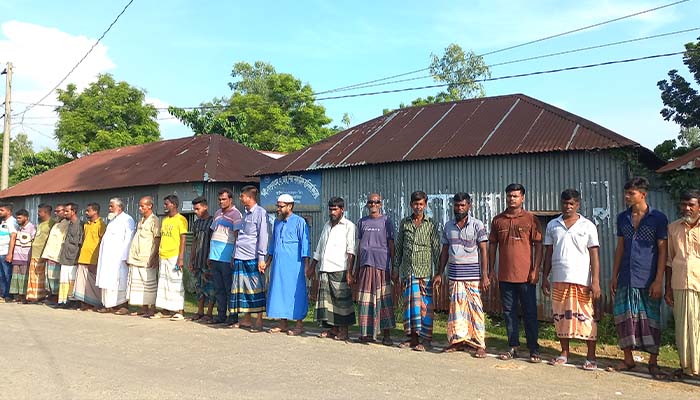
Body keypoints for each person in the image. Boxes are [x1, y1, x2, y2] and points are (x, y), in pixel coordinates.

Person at [610, 177, 668, 379]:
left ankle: (653, 361)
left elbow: (663, 250)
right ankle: (628, 359)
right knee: (624, 317)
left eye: (631, 193)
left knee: (651, 319)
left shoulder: (658, 218)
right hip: (626, 275)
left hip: (648, 277)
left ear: (643, 194)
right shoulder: (622, 218)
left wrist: (659, 279)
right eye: (626, 193)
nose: (626, 197)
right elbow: (621, 247)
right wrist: (614, 275)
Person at [541, 189, 601, 370]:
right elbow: (549, 252)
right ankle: (564, 352)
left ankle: (590, 356)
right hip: (559, 278)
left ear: (578, 205)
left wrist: (595, 281)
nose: (567, 207)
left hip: (582, 279)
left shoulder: (587, 225)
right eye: (565, 203)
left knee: (586, 317)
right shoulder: (553, 225)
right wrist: (545, 276)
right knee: (561, 317)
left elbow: (594, 255)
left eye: (571, 204)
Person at [489, 183, 543, 363]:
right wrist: (491, 269)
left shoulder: (530, 219)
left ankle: (533, 349)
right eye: (509, 196)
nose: (512, 199)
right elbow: (493, 246)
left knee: (530, 313)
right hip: (505, 276)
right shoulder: (498, 220)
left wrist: (536, 270)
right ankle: (513, 346)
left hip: (526, 276)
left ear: (523, 198)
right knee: (509, 313)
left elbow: (538, 245)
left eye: (516, 196)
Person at [434, 193, 489, 358]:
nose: (459, 208)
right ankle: (457, 341)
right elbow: (444, 251)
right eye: (457, 205)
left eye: (463, 205)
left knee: (475, 309)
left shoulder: (477, 225)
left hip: (473, 275)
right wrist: (439, 273)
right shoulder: (448, 226)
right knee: (456, 309)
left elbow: (484, 251)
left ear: (469, 206)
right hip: (455, 274)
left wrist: (485, 275)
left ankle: (479, 344)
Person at [394, 191, 441, 351]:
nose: (418, 207)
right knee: (409, 308)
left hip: (425, 273)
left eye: (421, 204)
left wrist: (439, 273)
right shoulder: (405, 223)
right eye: (415, 204)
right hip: (408, 272)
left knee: (425, 307)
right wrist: (395, 268)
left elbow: (436, 249)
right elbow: (399, 247)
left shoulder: (431, 224)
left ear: (425, 204)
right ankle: (412, 338)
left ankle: (426, 339)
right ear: (411, 205)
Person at [308, 197, 356, 341]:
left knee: (341, 302)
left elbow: (351, 251)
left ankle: (344, 331)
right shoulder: (327, 225)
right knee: (328, 303)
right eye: (331, 209)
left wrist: (349, 272)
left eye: (335, 209)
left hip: (340, 269)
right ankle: (332, 330)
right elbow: (319, 247)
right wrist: (312, 266)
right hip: (325, 268)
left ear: (342, 210)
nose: (332, 212)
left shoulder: (349, 226)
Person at [665, 189, 700, 380]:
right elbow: (669, 260)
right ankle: (688, 367)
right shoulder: (673, 228)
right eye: (684, 204)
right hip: (680, 282)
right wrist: (667, 287)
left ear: (698, 206)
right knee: (684, 327)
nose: (687, 208)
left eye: (691, 205)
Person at [354, 193, 396, 345]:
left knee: (383, 300)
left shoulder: (386, 221)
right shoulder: (362, 222)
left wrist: (394, 267)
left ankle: (386, 335)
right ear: (367, 204)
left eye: (376, 202)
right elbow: (360, 246)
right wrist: (356, 268)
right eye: (370, 202)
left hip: (381, 266)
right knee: (365, 301)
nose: (373, 205)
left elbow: (391, 245)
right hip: (366, 265)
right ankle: (366, 334)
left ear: (380, 204)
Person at [266, 194, 310, 336]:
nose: (278, 209)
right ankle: (283, 323)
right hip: (278, 266)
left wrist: (307, 265)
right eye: (277, 206)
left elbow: (305, 244)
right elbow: (273, 244)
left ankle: (299, 324)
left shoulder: (299, 222)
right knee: (279, 291)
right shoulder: (277, 223)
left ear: (290, 206)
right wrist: (268, 262)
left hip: (294, 266)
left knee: (296, 293)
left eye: (281, 206)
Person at [231, 186, 268, 331]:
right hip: (240, 255)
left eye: (242, 196)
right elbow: (240, 236)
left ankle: (259, 320)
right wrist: (234, 255)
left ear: (250, 197)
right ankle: (246, 319)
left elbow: (263, 237)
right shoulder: (245, 214)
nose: (240, 199)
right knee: (241, 288)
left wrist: (261, 258)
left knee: (255, 289)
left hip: (252, 256)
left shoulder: (260, 213)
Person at [208, 189, 242, 325]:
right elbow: (213, 234)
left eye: (224, 199)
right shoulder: (217, 214)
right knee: (218, 288)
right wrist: (209, 255)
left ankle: (232, 316)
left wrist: (234, 255)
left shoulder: (236, 214)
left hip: (227, 256)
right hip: (215, 256)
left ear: (230, 200)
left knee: (229, 288)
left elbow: (238, 236)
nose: (221, 202)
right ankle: (221, 315)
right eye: (220, 199)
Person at [96, 198, 136, 314]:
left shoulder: (127, 219)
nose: (109, 208)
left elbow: (129, 238)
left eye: (111, 206)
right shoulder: (113, 220)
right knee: (107, 281)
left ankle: (122, 305)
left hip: (118, 258)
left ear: (119, 207)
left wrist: (125, 256)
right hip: (107, 258)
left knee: (119, 281)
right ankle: (108, 305)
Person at [152, 195, 188, 321]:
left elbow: (183, 239)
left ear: (173, 204)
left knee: (175, 283)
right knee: (163, 283)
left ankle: (179, 310)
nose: (165, 206)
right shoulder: (165, 220)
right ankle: (165, 309)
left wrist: (181, 258)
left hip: (174, 256)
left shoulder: (181, 220)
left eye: (166, 204)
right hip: (164, 255)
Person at [126, 196, 161, 317]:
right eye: (139, 206)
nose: (140, 208)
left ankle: (152, 308)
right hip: (136, 256)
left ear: (150, 206)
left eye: (143, 206)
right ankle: (143, 307)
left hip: (147, 256)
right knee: (138, 283)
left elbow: (157, 239)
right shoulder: (141, 220)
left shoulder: (154, 220)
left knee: (149, 283)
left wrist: (154, 256)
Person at [74, 203, 106, 311]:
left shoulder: (101, 224)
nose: (86, 213)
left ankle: (96, 303)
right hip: (83, 257)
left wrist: (97, 260)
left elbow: (102, 242)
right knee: (83, 283)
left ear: (95, 211)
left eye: (88, 211)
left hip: (93, 258)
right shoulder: (86, 225)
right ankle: (85, 303)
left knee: (93, 283)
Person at [188, 196, 214, 322]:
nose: (195, 211)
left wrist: (211, 257)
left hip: (208, 260)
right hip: (198, 260)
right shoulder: (196, 223)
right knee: (199, 287)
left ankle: (209, 313)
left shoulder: (213, 221)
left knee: (210, 287)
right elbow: (194, 242)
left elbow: (214, 241)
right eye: (194, 209)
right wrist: (191, 259)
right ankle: (200, 311)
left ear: (205, 207)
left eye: (197, 209)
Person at [57, 203, 84, 307]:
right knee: (63, 279)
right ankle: (63, 301)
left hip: (73, 257)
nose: (65, 213)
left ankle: (72, 301)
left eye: (67, 211)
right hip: (65, 256)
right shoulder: (69, 224)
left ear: (73, 212)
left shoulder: (80, 225)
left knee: (71, 279)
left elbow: (80, 242)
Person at [41, 204, 69, 304]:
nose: (56, 213)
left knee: (55, 277)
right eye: (55, 211)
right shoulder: (56, 223)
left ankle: (55, 296)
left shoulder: (67, 223)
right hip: (50, 254)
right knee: (48, 277)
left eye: (59, 211)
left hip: (57, 254)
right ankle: (51, 294)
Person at [26, 204, 54, 303]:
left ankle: (39, 296)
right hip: (35, 253)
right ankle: (32, 295)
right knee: (33, 275)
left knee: (40, 276)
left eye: (39, 212)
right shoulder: (41, 224)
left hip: (42, 253)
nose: (38, 214)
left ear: (46, 212)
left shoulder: (52, 223)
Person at [9, 209, 35, 303]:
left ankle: (24, 297)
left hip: (25, 257)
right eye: (17, 218)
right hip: (17, 257)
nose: (18, 220)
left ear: (26, 218)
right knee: (16, 277)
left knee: (24, 277)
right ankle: (18, 296)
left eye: (20, 218)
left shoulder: (32, 228)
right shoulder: (18, 228)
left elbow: (33, 243)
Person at [0, 203, 18, 302]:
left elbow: (13, 237)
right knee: (1, 275)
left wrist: (10, 253)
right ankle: (2, 294)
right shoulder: (3, 222)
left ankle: (8, 295)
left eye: (2, 210)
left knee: (7, 274)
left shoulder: (12, 222)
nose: (0, 212)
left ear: (9, 211)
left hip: (6, 252)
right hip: (1, 251)